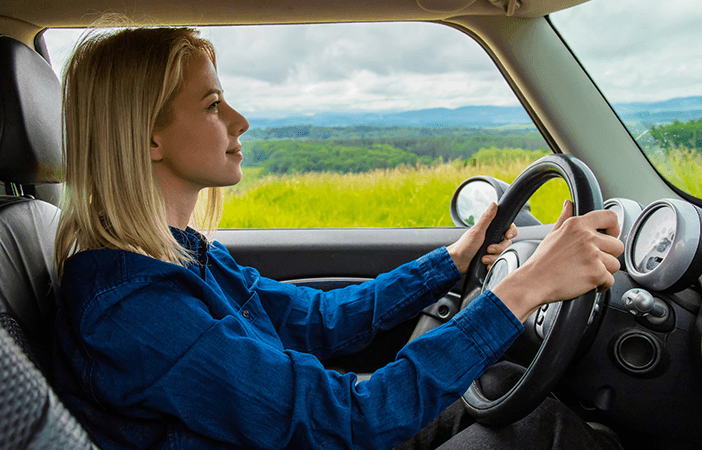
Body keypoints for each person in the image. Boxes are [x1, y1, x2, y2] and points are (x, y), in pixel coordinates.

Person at [51, 26, 624, 450]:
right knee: (532, 429)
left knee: (497, 384)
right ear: (148, 137)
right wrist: (522, 290)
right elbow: (354, 420)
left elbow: (318, 319)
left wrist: (452, 260)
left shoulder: (179, 256)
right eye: (212, 105)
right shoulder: (134, 310)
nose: (239, 120)